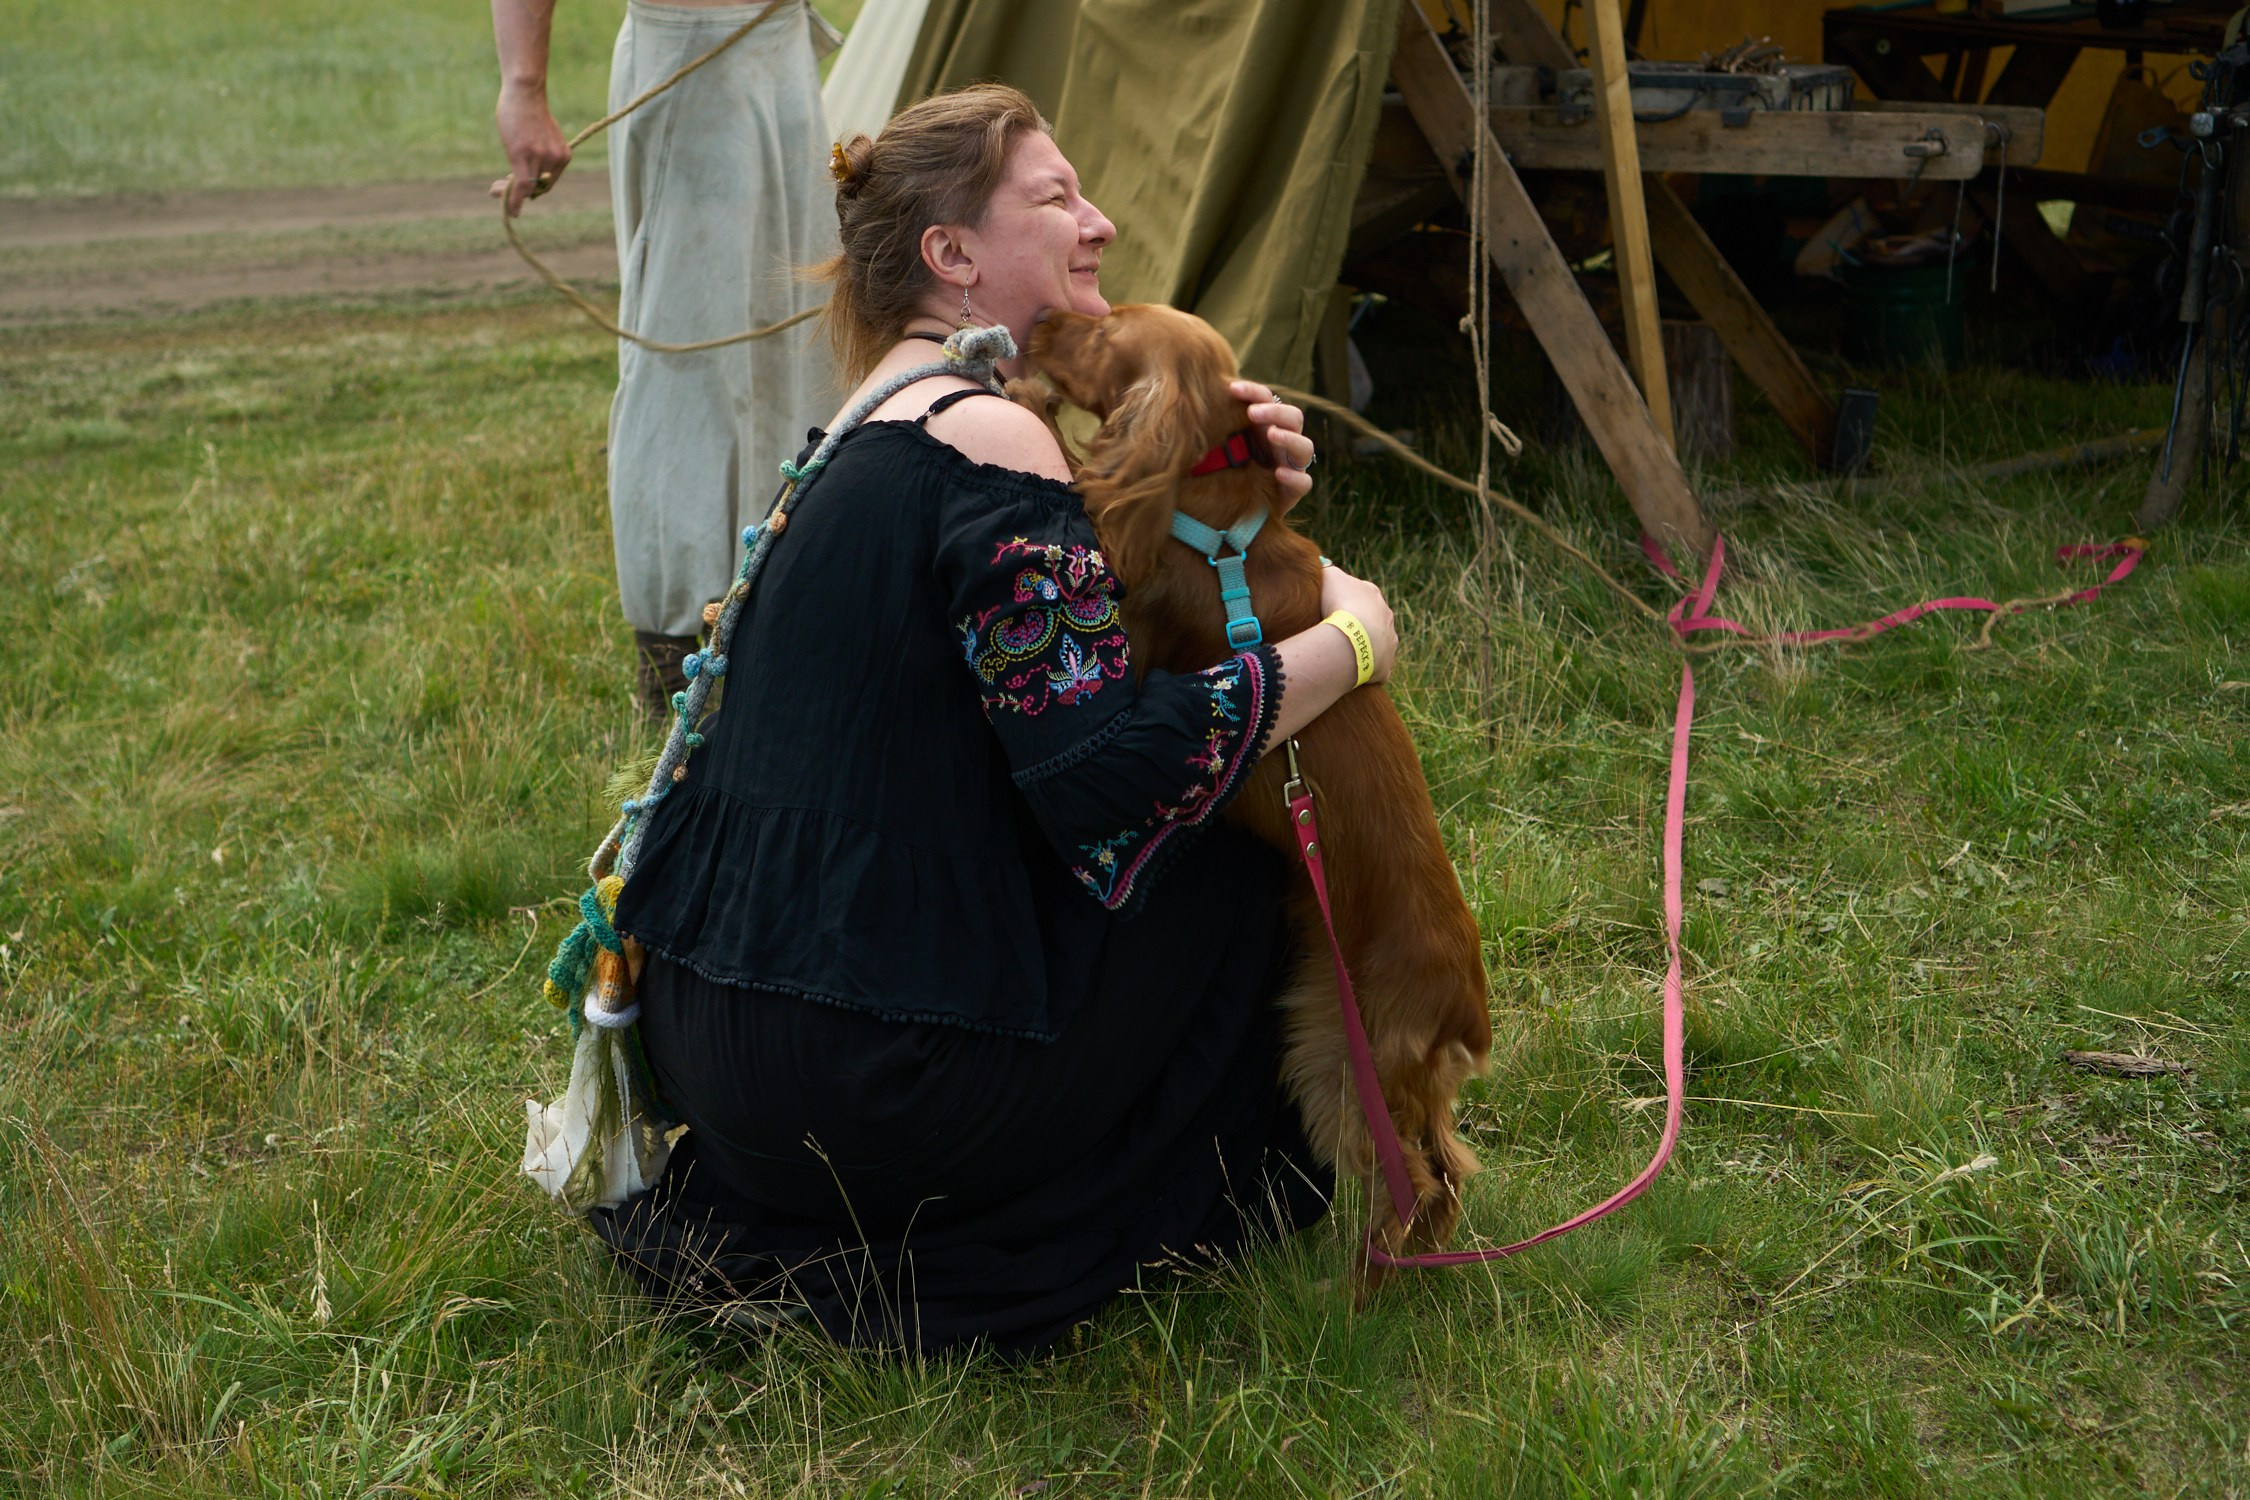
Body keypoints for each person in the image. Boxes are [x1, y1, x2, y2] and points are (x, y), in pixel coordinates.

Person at [589, 84, 1402, 1356]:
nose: (1102, 221)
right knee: (1232, 871)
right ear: (951, 255)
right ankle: (1158, 1205)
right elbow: (1108, 769)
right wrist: (1349, 644)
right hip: (869, 1101)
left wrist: (1224, 487)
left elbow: (1049, 658)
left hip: (722, 1062)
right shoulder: (996, 439)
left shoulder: (863, 434)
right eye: (1057, 199)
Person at [491, 0, 840, 716]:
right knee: (690, 373)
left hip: (777, 42)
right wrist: (523, 88)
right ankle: (680, 656)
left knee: (801, 347)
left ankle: (785, 618)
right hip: (688, 53)